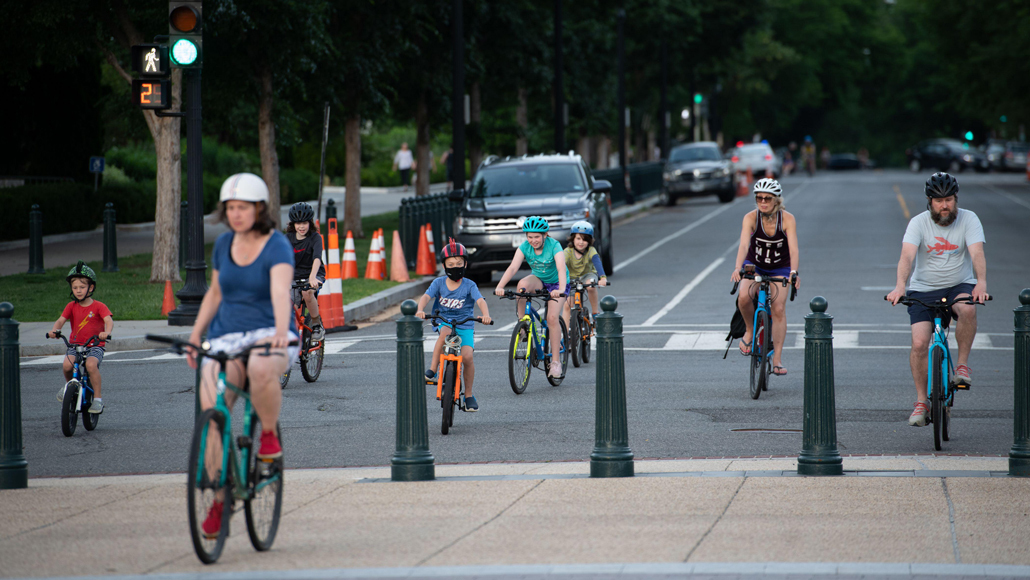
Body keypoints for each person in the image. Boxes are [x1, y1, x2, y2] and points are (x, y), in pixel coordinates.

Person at [187, 173, 299, 538]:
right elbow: (216, 293)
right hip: (226, 337)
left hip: (269, 332)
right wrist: (194, 335)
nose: (235, 214)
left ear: (259, 209)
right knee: (212, 411)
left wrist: (281, 333)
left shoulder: (277, 244)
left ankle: (268, 436)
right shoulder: (222, 245)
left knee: (261, 365)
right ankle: (220, 498)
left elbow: (281, 291)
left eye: (243, 207)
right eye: (230, 208)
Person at [886, 172, 988, 427]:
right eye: (939, 200)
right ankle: (922, 401)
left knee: (967, 309)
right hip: (923, 288)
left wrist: (981, 283)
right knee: (920, 343)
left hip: (959, 285)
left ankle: (962, 367)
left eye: (949, 199)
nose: (945, 205)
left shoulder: (969, 219)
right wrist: (900, 287)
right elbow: (907, 257)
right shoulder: (918, 223)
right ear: (929, 201)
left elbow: (977, 253)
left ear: (956, 199)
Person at [730, 178, 800, 376]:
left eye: (767, 199)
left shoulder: (787, 219)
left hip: (781, 267)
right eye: (759, 198)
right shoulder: (750, 218)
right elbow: (744, 245)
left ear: (776, 200)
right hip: (756, 265)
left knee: (778, 308)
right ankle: (750, 330)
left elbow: (794, 250)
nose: (763, 202)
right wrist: (737, 267)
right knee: (743, 296)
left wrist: (794, 273)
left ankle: (777, 359)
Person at [416, 239, 492, 412]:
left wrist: (485, 315)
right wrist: (420, 309)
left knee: (467, 357)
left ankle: (469, 395)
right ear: (444, 266)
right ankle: (433, 370)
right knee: (444, 334)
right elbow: (426, 297)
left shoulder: (469, 284)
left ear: (465, 264)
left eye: (459, 263)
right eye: (451, 264)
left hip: (465, 325)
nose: (455, 266)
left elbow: (480, 300)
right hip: (443, 320)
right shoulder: (438, 283)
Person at [494, 216, 569, 378]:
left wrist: (561, 289)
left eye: (536, 237)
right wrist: (500, 286)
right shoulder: (524, 247)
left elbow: (561, 268)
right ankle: (523, 325)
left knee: (552, 317)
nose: (533, 240)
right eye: (529, 236)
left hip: (557, 283)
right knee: (521, 287)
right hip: (540, 280)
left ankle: (555, 362)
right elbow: (513, 267)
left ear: (545, 235)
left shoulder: (554, 246)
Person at [49, 261, 113, 413]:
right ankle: (70, 385)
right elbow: (61, 320)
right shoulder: (71, 306)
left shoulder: (99, 306)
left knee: (91, 366)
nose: (78, 291)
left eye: (82, 287)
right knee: (66, 366)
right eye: (75, 287)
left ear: (91, 288)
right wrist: (55, 330)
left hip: (95, 345)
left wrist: (107, 332)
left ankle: (97, 399)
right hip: (75, 345)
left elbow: (108, 320)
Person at [285, 202, 326, 341]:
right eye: (297, 223)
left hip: (314, 272)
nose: (301, 226)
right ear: (293, 224)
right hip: (295, 275)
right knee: (290, 303)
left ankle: (316, 326)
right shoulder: (288, 238)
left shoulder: (315, 238)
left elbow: (317, 258)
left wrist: (313, 277)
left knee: (307, 293)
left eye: (304, 223)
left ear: (310, 222)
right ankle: (292, 333)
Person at [561, 220, 607, 330]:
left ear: (590, 241)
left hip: (587, 275)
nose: (581, 242)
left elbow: (597, 262)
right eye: (578, 238)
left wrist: (603, 277)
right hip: (571, 278)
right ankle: (565, 335)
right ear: (572, 239)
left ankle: (595, 313)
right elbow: (561, 264)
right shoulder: (568, 251)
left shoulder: (591, 250)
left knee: (591, 285)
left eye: (585, 239)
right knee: (567, 305)